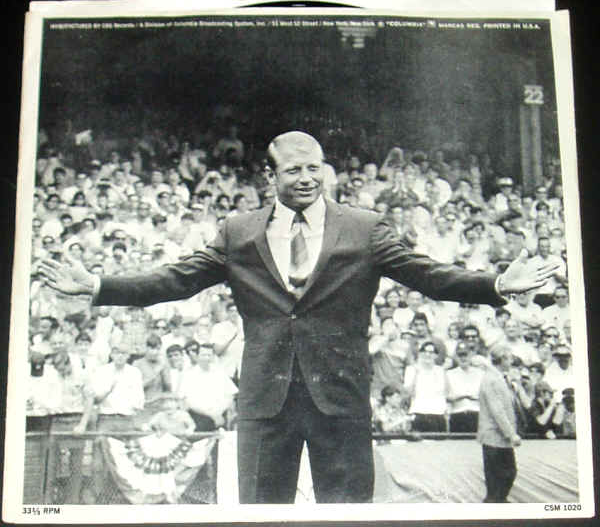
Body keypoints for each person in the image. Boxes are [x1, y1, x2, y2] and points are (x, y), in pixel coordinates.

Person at [40, 131, 558, 504]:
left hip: (340, 398)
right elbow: (176, 279)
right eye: (294, 169)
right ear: (270, 175)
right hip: (266, 403)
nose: (307, 178)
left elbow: (428, 274)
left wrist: (494, 284)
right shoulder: (238, 232)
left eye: (315, 167)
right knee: (263, 515)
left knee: (347, 514)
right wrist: (99, 286)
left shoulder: (363, 228)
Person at [477, 345, 522, 503]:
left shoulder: (499, 378)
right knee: (501, 477)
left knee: (507, 474)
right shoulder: (491, 379)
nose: (512, 361)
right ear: (502, 359)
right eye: (509, 358)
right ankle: (495, 506)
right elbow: (497, 411)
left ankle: (499, 502)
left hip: (500, 438)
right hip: (494, 436)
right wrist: (511, 434)